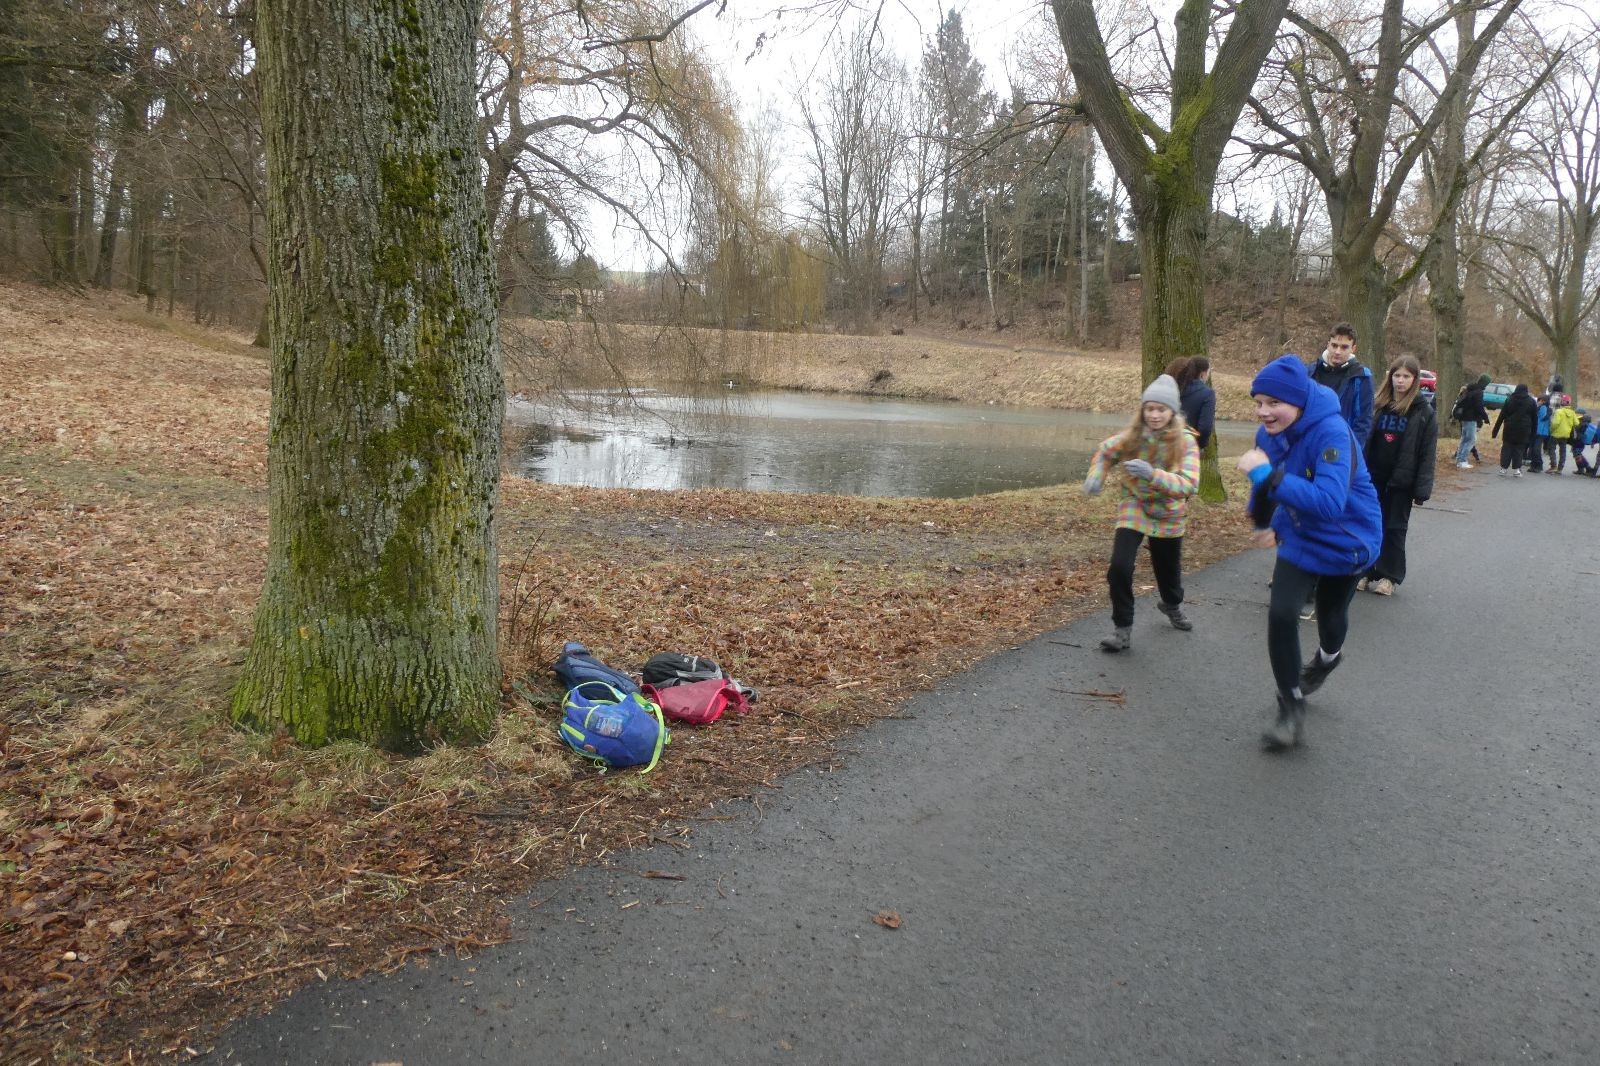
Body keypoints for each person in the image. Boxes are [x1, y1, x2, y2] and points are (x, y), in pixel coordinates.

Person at [1237, 355, 1382, 752]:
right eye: (1258, 402)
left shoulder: (1333, 433)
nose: (1264, 412)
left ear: (1299, 402)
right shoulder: (1268, 434)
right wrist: (1262, 522)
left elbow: (1330, 503)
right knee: (1282, 613)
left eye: (1274, 403)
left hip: (1347, 538)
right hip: (1300, 534)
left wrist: (1266, 476)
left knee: (1331, 617)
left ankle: (1328, 658)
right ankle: (1290, 707)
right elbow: (1265, 483)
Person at [1083, 374, 1201, 653]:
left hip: (1169, 511)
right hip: (1135, 504)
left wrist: (1153, 474)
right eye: (1149, 409)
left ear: (1172, 412)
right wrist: (1096, 476)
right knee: (1119, 567)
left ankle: (1171, 604)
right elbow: (1106, 452)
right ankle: (1122, 629)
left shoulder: (1186, 442)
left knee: (1168, 573)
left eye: (1161, 409)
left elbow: (1190, 484)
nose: (1154, 415)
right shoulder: (1134, 436)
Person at [1361, 355, 1437, 596]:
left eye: (1406, 376)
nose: (1400, 381)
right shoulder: (1378, 405)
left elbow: (1427, 452)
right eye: (1397, 375)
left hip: (1401, 481)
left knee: (1394, 529)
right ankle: (1364, 570)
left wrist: (1422, 488)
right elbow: (1363, 440)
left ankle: (1389, 575)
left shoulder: (1423, 411)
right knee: (1368, 524)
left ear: (1414, 380)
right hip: (1372, 477)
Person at [1310, 322, 1375, 446]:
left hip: (1340, 444)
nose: (1337, 351)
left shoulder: (1361, 377)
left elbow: (1363, 422)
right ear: (1328, 345)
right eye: (1334, 345)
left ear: (1353, 349)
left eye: (1344, 347)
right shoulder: (1311, 371)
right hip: (1309, 442)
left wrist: (1351, 451)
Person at [1166, 356, 1217, 451]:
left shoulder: (1172, 387)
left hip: (1167, 441)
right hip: (1190, 446)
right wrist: (1199, 445)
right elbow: (1205, 428)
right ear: (1202, 375)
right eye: (1208, 373)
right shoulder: (1207, 393)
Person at [1491, 384, 1538, 476]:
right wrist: (1533, 434)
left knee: (1507, 447)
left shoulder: (1509, 399)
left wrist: (1495, 431)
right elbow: (1534, 419)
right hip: (1524, 429)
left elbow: (1501, 416)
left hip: (1509, 427)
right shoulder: (1531, 401)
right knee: (1519, 449)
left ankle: (1503, 469)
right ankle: (1516, 470)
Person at [1451, 374, 1491, 469]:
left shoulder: (1470, 389)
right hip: (1471, 418)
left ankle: (1459, 459)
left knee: (1464, 439)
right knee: (1470, 440)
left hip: (1464, 418)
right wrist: (1485, 417)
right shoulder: (1478, 392)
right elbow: (1479, 407)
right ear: (1484, 383)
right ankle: (1462, 461)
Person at [1548, 395, 1580, 474]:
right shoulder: (1572, 412)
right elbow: (1577, 423)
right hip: (1566, 435)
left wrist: (1551, 430)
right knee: (1563, 451)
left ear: (1562, 402)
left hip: (1556, 434)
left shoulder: (1559, 411)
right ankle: (1560, 468)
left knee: (1551, 449)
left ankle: (1553, 466)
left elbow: (1555, 423)